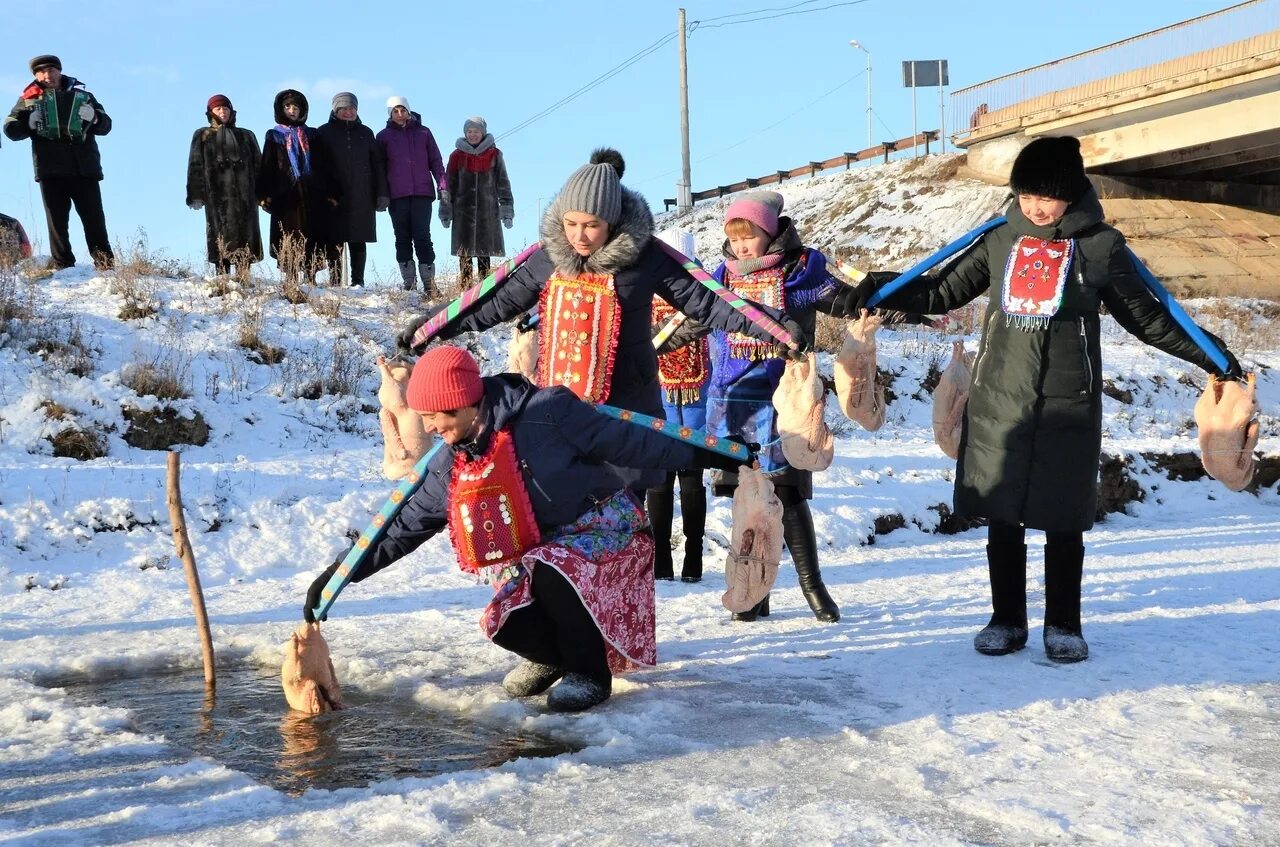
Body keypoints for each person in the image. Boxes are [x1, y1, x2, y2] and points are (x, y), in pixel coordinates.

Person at [849, 136, 1244, 662]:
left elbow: (1147, 318)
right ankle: (1006, 619)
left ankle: (1063, 624)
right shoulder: (999, 238)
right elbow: (941, 291)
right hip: (999, 401)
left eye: (1047, 198)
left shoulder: (1100, 247)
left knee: (1063, 517)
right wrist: (884, 288)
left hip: (1067, 401)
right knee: (1003, 514)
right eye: (1027, 195)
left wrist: (1214, 357)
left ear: (1072, 193)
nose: (1035, 207)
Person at [303, 345, 753, 712]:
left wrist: (719, 454)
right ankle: (555, 657)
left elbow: (636, 441)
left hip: (605, 534)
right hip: (538, 554)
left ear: (464, 401)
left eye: (435, 416)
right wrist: (340, 575)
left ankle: (589, 673)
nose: (428, 428)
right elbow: (404, 525)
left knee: (551, 567)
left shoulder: (547, 414)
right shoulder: (450, 462)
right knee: (504, 623)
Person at [397, 148, 808, 449]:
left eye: (591, 225)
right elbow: (497, 301)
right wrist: (435, 325)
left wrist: (774, 325)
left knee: (624, 515)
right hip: (562, 408)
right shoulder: (549, 258)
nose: (578, 235)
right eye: (571, 223)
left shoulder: (645, 257)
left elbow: (709, 301)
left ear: (611, 220)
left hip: (630, 409)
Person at [691, 191, 865, 624]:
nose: (741, 247)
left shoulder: (799, 272)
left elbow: (840, 300)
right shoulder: (720, 280)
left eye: (749, 237)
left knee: (787, 494)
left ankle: (813, 586)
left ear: (769, 233)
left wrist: (867, 296)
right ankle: (755, 592)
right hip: (732, 400)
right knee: (747, 497)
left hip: (783, 399)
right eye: (734, 239)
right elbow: (692, 317)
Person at [3, 55, 114, 271]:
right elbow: (10, 130)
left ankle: (105, 264)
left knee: (94, 219)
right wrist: (29, 123)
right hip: (49, 169)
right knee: (56, 221)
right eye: (41, 72)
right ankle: (63, 264)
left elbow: (106, 126)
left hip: (84, 168)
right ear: (36, 75)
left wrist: (96, 117)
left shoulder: (82, 95)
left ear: (59, 71)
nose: (47, 76)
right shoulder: (28, 99)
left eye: (51, 70)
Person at [647, 297, 711, 582]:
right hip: (658, 398)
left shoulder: (702, 299)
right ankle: (661, 559)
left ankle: (693, 558)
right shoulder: (644, 298)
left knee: (690, 479)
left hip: (697, 397)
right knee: (661, 481)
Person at [185, 94, 263, 279]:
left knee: (247, 234)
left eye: (226, 109)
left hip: (245, 194)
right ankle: (222, 276)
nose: (223, 112)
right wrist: (196, 193)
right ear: (210, 112)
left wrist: (263, 194)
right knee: (219, 234)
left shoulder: (246, 135)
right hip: (217, 194)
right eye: (218, 109)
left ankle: (244, 276)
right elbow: (195, 165)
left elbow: (259, 165)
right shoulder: (203, 135)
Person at [315, 92, 388, 287]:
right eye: (344, 109)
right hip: (333, 195)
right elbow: (318, 166)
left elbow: (377, 165)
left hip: (362, 194)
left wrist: (382, 193)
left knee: (359, 238)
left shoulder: (366, 132)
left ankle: (358, 282)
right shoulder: (323, 132)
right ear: (335, 110)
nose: (348, 112)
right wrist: (321, 193)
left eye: (351, 109)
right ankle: (336, 281)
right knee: (335, 239)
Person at [256, 89, 328, 285]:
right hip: (284, 194)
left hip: (310, 193)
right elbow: (267, 165)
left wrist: (329, 192)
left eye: (296, 107)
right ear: (281, 110)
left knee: (312, 232)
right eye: (288, 107)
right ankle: (291, 275)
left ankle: (311, 275)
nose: (292, 111)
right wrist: (264, 194)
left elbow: (322, 165)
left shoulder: (312, 134)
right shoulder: (274, 135)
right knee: (287, 234)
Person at [376, 96, 447, 294]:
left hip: (422, 193)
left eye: (403, 110)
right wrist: (381, 193)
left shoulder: (424, 133)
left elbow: (436, 160)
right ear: (390, 114)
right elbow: (379, 168)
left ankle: (430, 285)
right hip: (397, 195)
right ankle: (409, 283)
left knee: (423, 236)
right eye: (395, 111)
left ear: (409, 111)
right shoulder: (383, 137)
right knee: (402, 237)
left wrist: (443, 185)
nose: (400, 114)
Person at [439, 116, 514, 287]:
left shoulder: (494, 154)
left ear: (483, 132)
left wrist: (507, 211)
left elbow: (503, 184)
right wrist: (445, 210)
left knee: (484, 253)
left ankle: (484, 289)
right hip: (462, 212)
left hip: (487, 213)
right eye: (469, 131)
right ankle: (465, 290)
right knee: (464, 254)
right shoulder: (457, 156)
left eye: (476, 131)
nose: (473, 135)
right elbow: (448, 185)